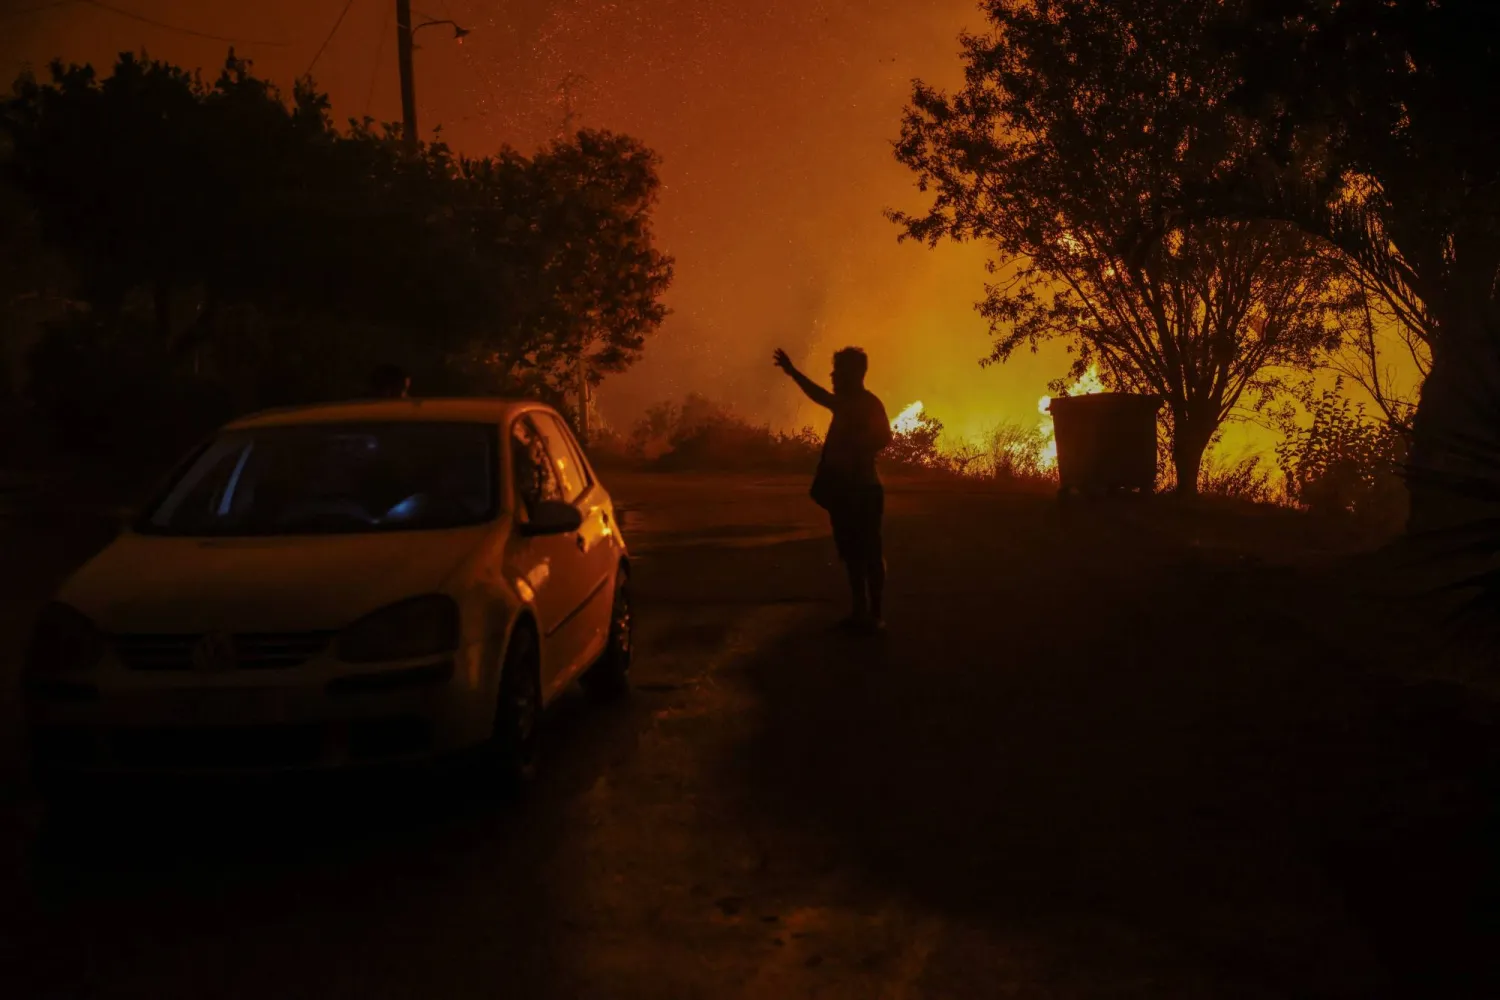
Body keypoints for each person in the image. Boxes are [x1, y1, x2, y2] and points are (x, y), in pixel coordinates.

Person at [774, 346, 893, 631]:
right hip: (852, 490)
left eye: (838, 371)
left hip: (860, 490)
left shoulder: (860, 403)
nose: (833, 375)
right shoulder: (853, 402)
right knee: (856, 552)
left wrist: (856, 450)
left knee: (865, 551)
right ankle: (864, 612)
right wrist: (793, 373)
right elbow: (821, 396)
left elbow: (883, 437)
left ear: (854, 373)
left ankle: (872, 614)